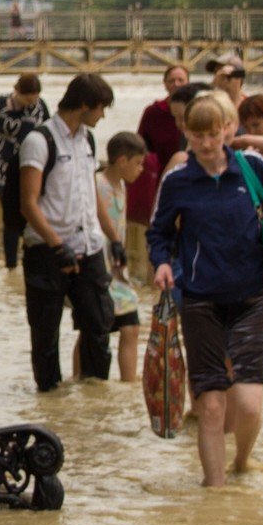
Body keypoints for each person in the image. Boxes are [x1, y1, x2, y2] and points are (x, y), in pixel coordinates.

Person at [149, 92, 263, 487]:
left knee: (247, 405)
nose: (207, 144)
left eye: (213, 134)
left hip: (252, 298)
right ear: (186, 133)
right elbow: (157, 232)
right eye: (198, 136)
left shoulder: (252, 167)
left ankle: (241, 460)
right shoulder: (178, 181)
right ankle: (215, 493)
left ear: (227, 129)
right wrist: (162, 263)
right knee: (210, 406)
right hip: (199, 300)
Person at [19, 73, 115, 392]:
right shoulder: (40, 140)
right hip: (48, 251)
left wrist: (114, 240)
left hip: (88, 247)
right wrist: (57, 245)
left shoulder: (86, 139)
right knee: (46, 334)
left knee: (98, 327)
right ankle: (51, 400)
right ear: (85, 104)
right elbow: (28, 203)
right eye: (101, 108)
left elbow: (92, 193)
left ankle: (93, 399)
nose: (103, 115)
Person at [0, 72, 51, 269]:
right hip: (5, 171)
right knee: (11, 220)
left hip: (33, 170)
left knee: (32, 217)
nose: (30, 103)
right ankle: (11, 266)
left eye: (34, 98)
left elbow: (50, 135)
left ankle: (31, 262)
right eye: (27, 98)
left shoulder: (41, 107)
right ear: (16, 91)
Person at [95, 132, 148, 383]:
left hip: (118, 270)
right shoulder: (97, 183)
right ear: (122, 161)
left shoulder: (122, 185)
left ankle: (128, 383)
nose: (141, 170)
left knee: (131, 327)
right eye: (138, 163)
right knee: (95, 332)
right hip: (99, 268)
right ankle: (85, 379)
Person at [136, 64, 189, 172]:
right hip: (159, 173)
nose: (176, 84)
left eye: (181, 80)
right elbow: (140, 145)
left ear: (188, 83)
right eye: (171, 81)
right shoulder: (152, 112)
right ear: (164, 84)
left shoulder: (198, 111)